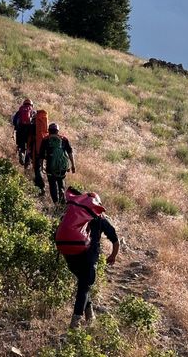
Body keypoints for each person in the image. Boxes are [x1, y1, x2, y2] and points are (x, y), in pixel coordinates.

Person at [57, 188, 119, 328]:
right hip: (88, 257)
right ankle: (75, 322)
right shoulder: (100, 219)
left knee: (83, 284)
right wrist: (113, 255)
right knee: (84, 287)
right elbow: (115, 240)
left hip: (69, 254)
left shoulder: (73, 215)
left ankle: (89, 315)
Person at [38, 123, 75, 203]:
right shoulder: (64, 139)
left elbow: (41, 155)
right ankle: (62, 194)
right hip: (62, 166)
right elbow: (70, 153)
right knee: (61, 182)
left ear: (49, 131)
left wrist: (41, 166)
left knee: (52, 184)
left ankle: (55, 202)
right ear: (57, 131)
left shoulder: (45, 140)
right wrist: (73, 165)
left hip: (50, 166)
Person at [12, 99, 35, 166]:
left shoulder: (19, 111)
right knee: (29, 146)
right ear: (31, 105)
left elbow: (14, 121)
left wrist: (17, 127)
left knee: (21, 145)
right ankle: (27, 162)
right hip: (29, 132)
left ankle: (21, 152)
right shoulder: (33, 111)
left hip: (20, 130)